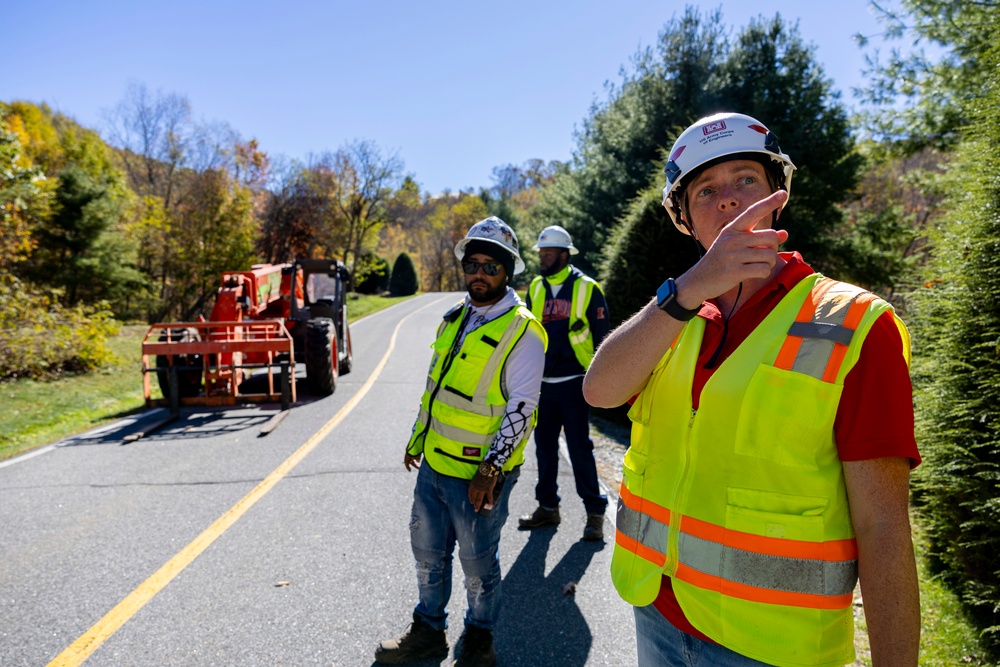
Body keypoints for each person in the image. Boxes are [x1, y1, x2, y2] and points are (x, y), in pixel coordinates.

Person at [583, 112, 921, 667]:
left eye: (746, 180)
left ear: (777, 196)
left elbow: (883, 525)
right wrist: (688, 290)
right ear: (684, 219)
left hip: (771, 646)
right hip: (656, 613)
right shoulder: (676, 314)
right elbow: (600, 391)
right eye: (705, 191)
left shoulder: (854, 324)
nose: (727, 201)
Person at [376, 217, 547, 667]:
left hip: (478, 478)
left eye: (491, 266)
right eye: (473, 264)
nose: (480, 274)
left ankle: (479, 638)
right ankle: (429, 631)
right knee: (428, 556)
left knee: (478, 566)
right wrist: (417, 439)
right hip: (434, 465)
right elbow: (435, 389)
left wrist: (491, 470)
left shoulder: (522, 331)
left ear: (507, 271)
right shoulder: (456, 318)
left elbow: (522, 408)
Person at [518, 225, 611, 540]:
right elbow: (528, 337)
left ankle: (595, 512)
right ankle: (548, 507)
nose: (542, 258)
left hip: (574, 382)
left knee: (579, 448)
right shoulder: (535, 288)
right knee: (544, 449)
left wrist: (600, 383)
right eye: (540, 253)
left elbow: (603, 338)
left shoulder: (587, 288)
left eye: (547, 253)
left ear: (563, 253)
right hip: (542, 384)